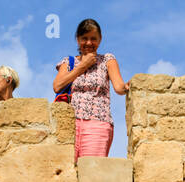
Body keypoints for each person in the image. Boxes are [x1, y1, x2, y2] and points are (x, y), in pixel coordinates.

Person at [52, 18, 128, 158]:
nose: (89, 43)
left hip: (97, 124)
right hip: (69, 125)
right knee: (65, 174)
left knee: (91, 173)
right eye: (84, 38)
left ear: (100, 39)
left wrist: (128, 86)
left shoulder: (107, 60)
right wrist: (83, 66)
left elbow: (119, 87)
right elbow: (57, 86)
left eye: (93, 39)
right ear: (77, 39)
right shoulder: (68, 62)